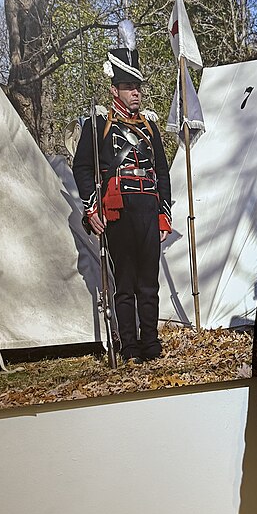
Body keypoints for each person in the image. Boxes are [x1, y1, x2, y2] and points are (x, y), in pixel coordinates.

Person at [73, 22, 172, 362]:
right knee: (125, 284)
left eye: (138, 87)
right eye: (129, 87)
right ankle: (129, 345)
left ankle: (151, 343)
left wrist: (164, 215)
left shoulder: (149, 126)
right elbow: (82, 168)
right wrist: (91, 209)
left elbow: (161, 171)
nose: (136, 93)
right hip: (117, 211)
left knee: (149, 283)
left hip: (147, 210)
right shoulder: (98, 125)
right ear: (115, 89)